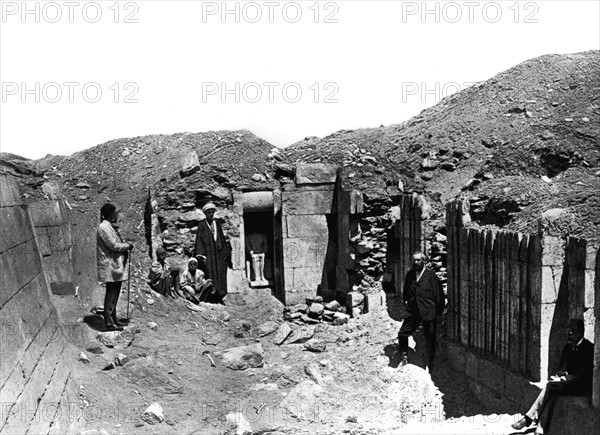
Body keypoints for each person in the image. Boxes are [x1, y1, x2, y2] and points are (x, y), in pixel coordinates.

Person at [511, 319, 594, 434]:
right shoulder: (568, 348)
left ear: (580, 333)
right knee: (551, 391)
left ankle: (529, 419)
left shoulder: (589, 348)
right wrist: (559, 376)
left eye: (572, 331)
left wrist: (566, 378)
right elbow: (562, 368)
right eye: (568, 330)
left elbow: (583, 374)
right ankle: (539, 428)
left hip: (581, 386)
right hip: (568, 384)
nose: (569, 333)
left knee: (550, 388)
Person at [398, 251, 445, 370]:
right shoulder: (410, 275)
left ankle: (430, 364)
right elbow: (406, 290)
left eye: (418, 260)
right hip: (414, 311)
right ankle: (403, 358)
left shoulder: (431, 276)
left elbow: (439, 296)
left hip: (428, 311)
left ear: (424, 261)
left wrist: (438, 313)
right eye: (414, 260)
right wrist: (406, 303)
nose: (415, 262)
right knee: (403, 333)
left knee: (430, 337)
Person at [97, 203, 133, 331]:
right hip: (109, 265)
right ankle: (108, 321)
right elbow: (113, 245)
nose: (117, 215)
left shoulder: (109, 227)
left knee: (115, 292)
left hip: (114, 264)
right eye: (115, 213)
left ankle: (114, 318)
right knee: (111, 292)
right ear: (111, 214)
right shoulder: (103, 228)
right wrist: (127, 246)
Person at [193, 202, 232, 304]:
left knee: (220, 273)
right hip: (208, 255)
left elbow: (222, 240)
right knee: (209, 274)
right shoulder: (202, 225)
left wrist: (226, 254)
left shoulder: (217, 224)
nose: (211, 214)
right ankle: (210, 297)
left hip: (218, 255)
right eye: (209, 212)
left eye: (212, 212)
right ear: (205, 214)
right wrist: (200, 255)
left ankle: (219, 296)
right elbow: (199, 241)